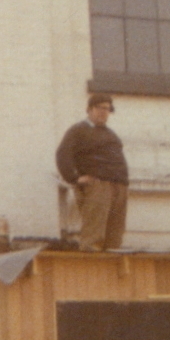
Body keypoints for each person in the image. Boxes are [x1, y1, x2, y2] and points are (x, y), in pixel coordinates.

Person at [56, 93, 129, 251]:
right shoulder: (78, 130)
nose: (103, 112)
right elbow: (63, 154)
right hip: (97, 186)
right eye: (99, 108)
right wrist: (74, 178)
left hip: (118, 186)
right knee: (94, 235)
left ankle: (111, 264)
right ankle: (91, 264)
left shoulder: (110, 134)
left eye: (107, 109)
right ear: (89, 109)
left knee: (115, 234)